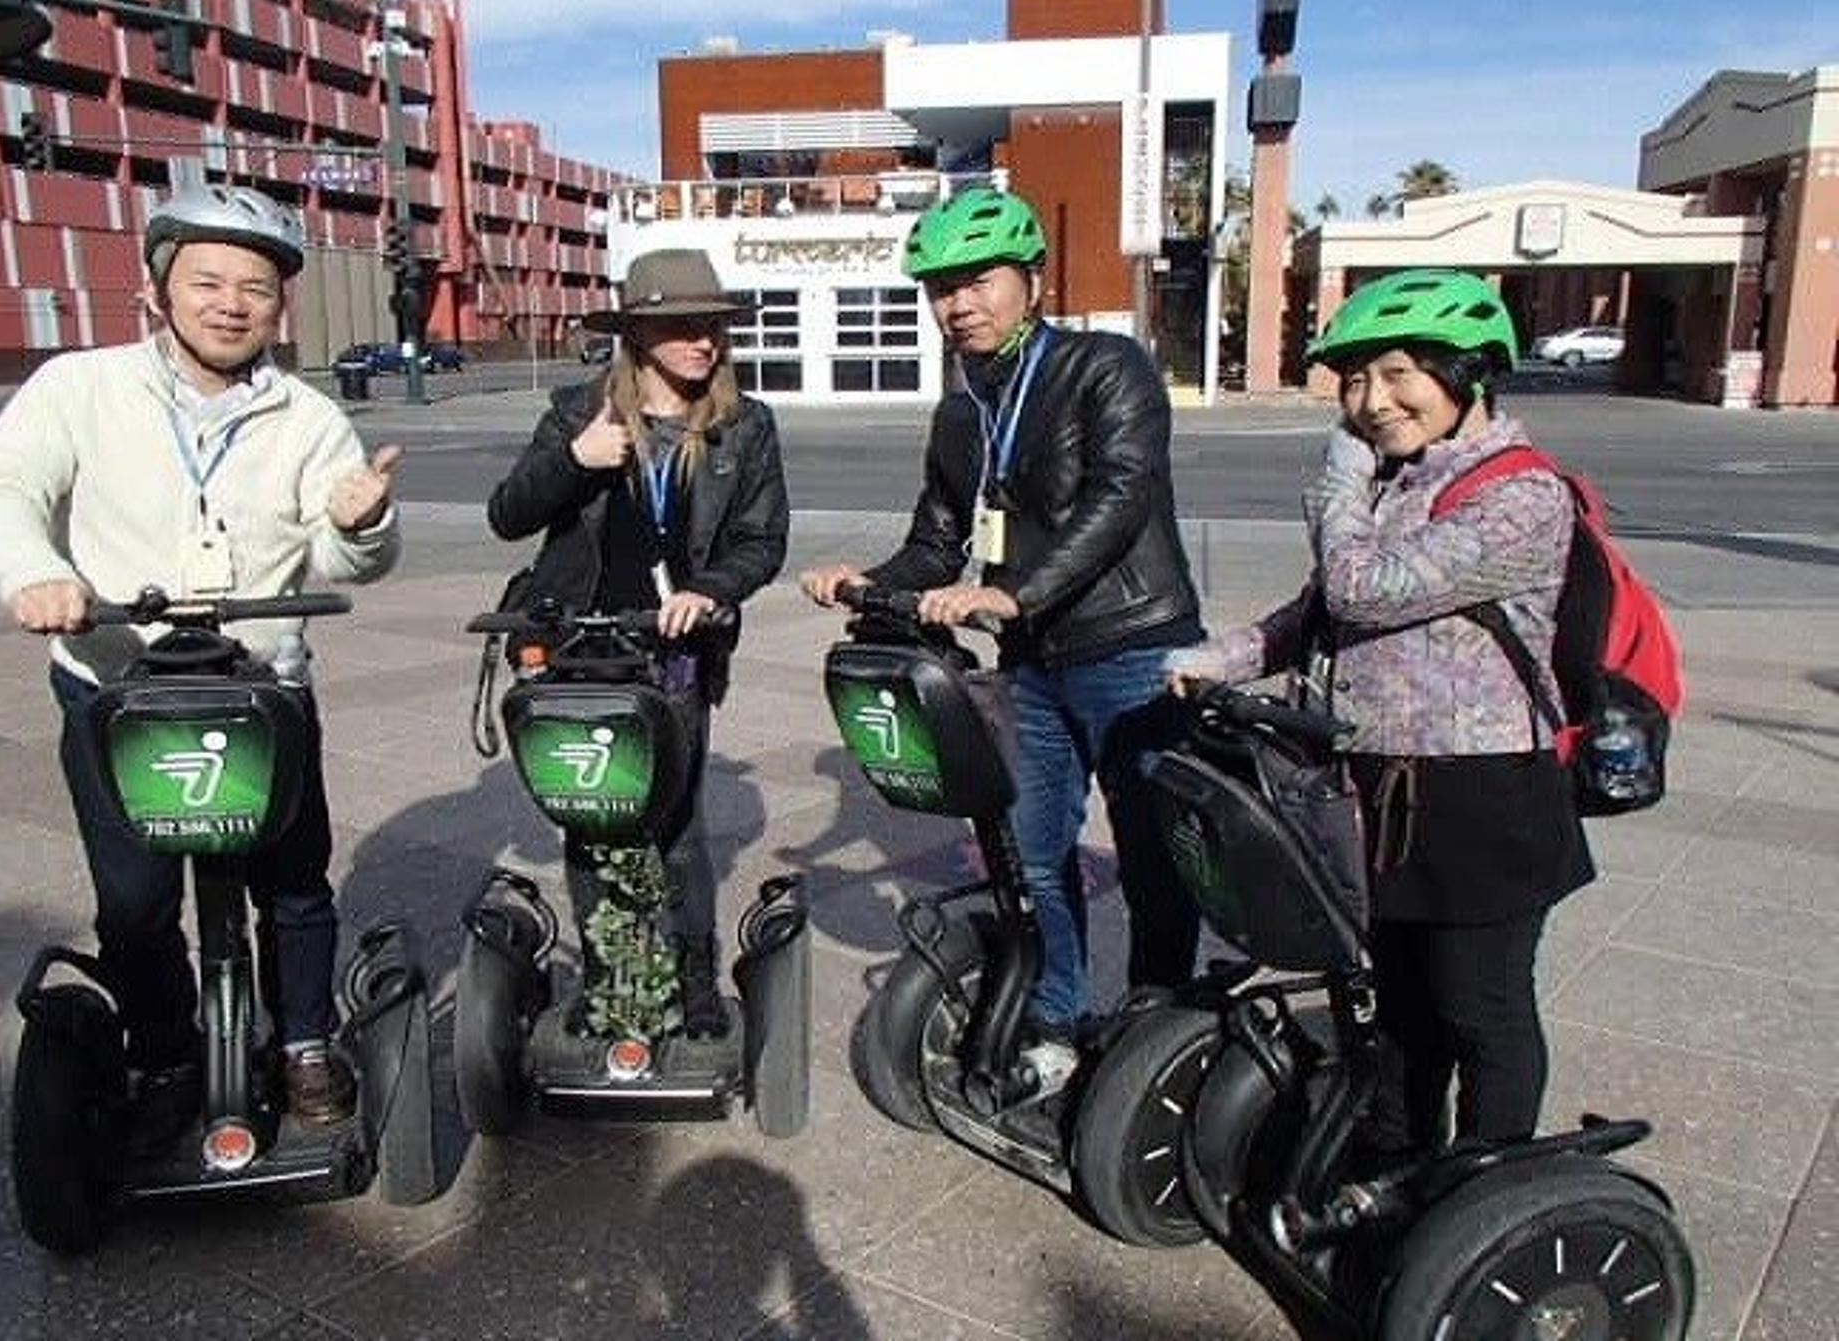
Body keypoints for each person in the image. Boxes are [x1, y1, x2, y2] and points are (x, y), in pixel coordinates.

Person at [0, 185, 403, 1135]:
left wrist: (361, 524)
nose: (231, 302)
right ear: (158, 287)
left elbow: (337, 558)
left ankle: (305, 1040)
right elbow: (0, 493)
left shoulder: (308, 417)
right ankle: (162, 1051)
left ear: (281, 304)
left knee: (293, 881)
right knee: (137, 900)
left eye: (255, 285)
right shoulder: (79, 387)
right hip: (118, 686)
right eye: (207, 280)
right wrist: (33, 574)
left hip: (260, 687)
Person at [1171, 268, 1594, 1160]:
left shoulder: (1523, 495)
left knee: (1481, 1008)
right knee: (1398, 1008)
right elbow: (1318, 610)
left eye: (1398, 373)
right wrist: (1224, 657)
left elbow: (1367, 588)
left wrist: (1337, 478)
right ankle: (1395, 1169)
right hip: (1378, 789)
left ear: (1468, 370)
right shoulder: (1401, 481)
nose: (1371, 402)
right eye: (1356, 381)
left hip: (1482, 796)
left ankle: (1486, 1187)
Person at [799, 188, 1205, 1092]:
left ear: (1029, 279)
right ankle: (1057, 1015)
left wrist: (1011, 592)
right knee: (1030, 847)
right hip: (1036, 663)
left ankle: (1160, 1025)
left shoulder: (1108, 368)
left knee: (1152, 852)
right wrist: (864, 580)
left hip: (1133, 646)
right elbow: (937, 541)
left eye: (978, 280)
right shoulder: (960, 413)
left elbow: (1119, 497)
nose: (959, 304)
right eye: (941, 287)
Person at [487, 247, 789, 1038]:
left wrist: (712, 589)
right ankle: (607, 975)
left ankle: (691, 977)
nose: (705, 343)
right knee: (592, 818)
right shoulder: (579, 412)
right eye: (684, 326)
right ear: (639, 333)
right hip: (583, 645)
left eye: (713, 327)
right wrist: (575, 461)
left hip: (676, 649)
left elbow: (762, 540)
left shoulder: (744, 425)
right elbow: (509, 514)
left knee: (679, 824)